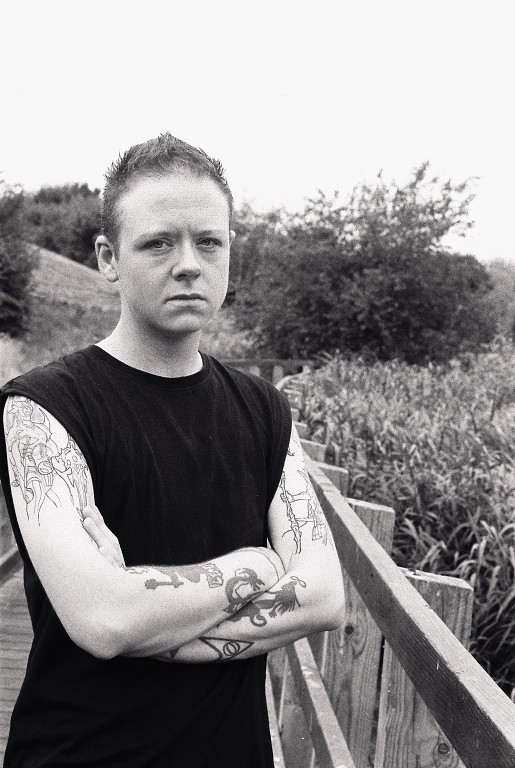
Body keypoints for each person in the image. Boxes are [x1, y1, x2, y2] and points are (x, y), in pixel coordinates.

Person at [0, 134, 345, 768]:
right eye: (159, 243)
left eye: (209, 242)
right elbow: (103, 620)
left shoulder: (264, 410)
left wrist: (146, 620)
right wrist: (257, 565)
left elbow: (323, 597)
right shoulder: (42, 409)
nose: (189, 264)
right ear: (108, 258)